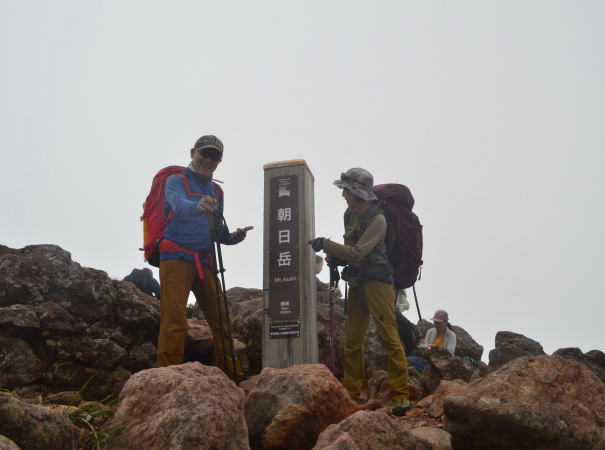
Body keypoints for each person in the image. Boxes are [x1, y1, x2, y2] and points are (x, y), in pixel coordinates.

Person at [309, 167, 411, 416]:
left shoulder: (379, 219)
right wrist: (336, 257)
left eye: (345, 190)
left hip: (378, 284)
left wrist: (326, 244)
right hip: (357, 283)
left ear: (357, 192)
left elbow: (358, 253)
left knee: (388, 336)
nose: (342, 194)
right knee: (353, 340)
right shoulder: (350, 214)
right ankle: (352, 394)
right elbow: (350, 252)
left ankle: (401, 396)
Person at [157, 135, 253, 378]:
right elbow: (177, 205)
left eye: (215, 157)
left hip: (205, 260)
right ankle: (166, 378)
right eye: (204, 154)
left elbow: (215, 232)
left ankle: (231, 374)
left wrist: (233, 237)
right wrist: (196, 207)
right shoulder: (175, 181)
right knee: (175, 320)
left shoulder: (216, 191)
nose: (208, 160)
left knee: (221, 319)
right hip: (175, 256)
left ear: (219, 161)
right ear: (193, 152)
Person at [408, 309, 457, 373]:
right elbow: (424, 347)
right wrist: (422, 346)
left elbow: (450, 353)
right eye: (435, 322)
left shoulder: (451, 335)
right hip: (428, 361)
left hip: (442, 364)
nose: (436, 325)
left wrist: (433, 348)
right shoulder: (430, 331)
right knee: (411, 359)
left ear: (445, 322)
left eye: (438, 323)